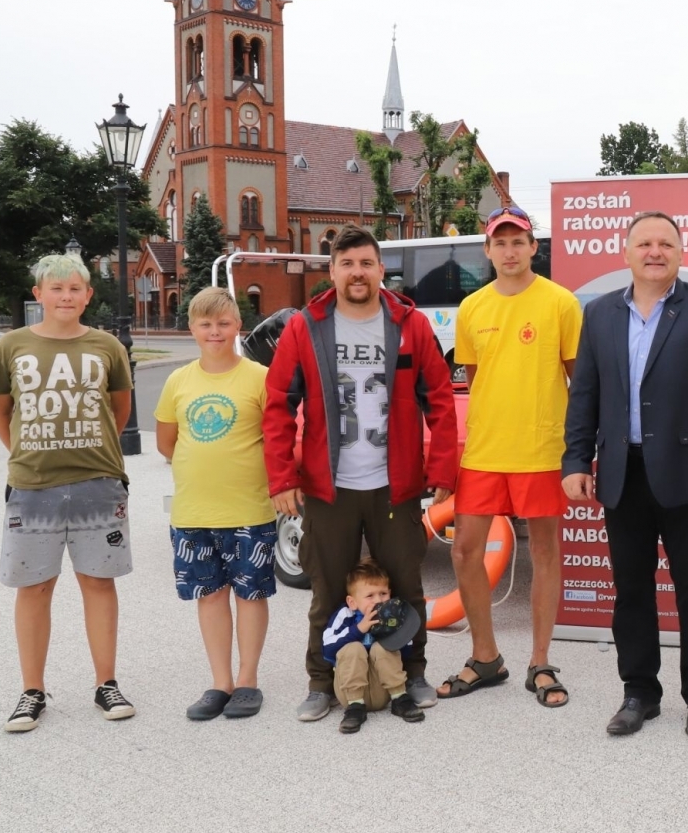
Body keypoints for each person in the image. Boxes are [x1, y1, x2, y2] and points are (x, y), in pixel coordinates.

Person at [563, 210, 688, 739]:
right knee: (631, 590)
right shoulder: (598, 314)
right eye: (644, 242)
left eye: (665, 243)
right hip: (622, 474)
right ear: (626, 253)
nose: (654, 251)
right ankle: (639, 692)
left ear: (680, 253)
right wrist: (576, 459)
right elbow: (586, 396)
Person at [263, 224, 458, 722]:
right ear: (331, 271)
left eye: (366, 263)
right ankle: (321, 682)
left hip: (394, 484)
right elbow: (279, 405)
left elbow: (438, 398)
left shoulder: (409, 324)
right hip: (329, 486)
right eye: (346, 263)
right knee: (327, 588)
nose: (357, 272)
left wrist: (442, 470)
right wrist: (282, 477)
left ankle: (412, 673)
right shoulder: (306, 327)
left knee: (406, 583)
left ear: (380, 270)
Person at [0, 253, 136, 732]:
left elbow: (120, 410)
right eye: (57, 288)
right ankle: (32, 690)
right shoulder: (12, 346)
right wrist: (29, 451)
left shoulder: (107, 346)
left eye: (75, 288)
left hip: (97, 482)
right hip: (33, 486)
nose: (66, 296)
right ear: (39, 295)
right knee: (35, 586)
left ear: (89, 295)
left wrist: (87, 451)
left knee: (98, 582)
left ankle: (106, 683)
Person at [437, 207, 582, 707]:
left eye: (518, 240)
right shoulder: (472, 307)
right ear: (488, 250)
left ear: (533, 247)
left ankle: (540, 661)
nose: (510, 250)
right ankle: (485, 657)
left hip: (542, 448)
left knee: (545, 552)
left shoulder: (560, 303)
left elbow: (577, 380)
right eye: (500, 242)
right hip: (485, 451)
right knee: (463, 551)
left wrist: (578, 451)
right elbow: (475, 382)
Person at [155, 287, 275, 720]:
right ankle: (220, 681)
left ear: (237, 325)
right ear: (192, 329)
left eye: (223, 323)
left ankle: (247, 679)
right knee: (209, 596)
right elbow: (167, 442)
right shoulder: (179, 381)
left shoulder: (259, 378)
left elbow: (277, 438)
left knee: (249, 595)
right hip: (194, 511)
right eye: (206, 324)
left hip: (248, 510)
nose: (215, 331)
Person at [322, 560, 427, 733]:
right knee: (353, 648)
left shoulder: (392, 616)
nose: (378, 600)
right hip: (350, 692)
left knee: (382, 647)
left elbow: (406, 649)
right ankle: (355, 708)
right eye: (370, 596)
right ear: (352, 602)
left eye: (383, 593)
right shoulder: (345, 615)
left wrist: (390, 631)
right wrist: (358, 630)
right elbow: (327, 648)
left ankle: (400, 699)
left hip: (384, 690)